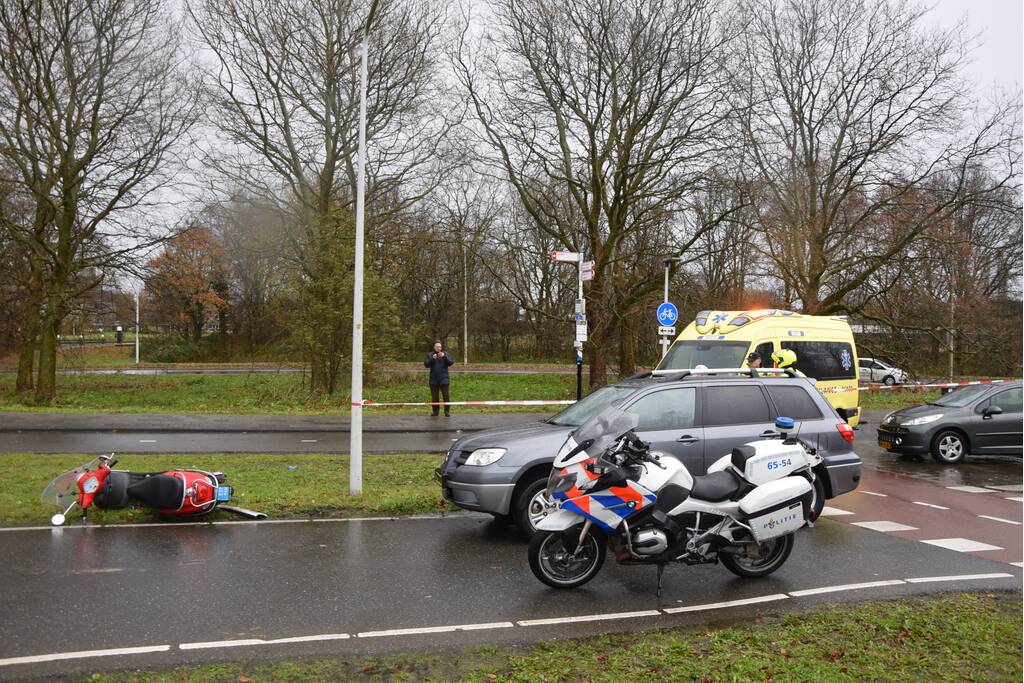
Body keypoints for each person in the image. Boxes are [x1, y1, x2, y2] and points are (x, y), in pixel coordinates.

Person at [424, 340, 454, 417]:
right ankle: (435, 412)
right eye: (437, 347)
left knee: (446, 397)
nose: (439, 348)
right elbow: (426, 364)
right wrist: (432, 359)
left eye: (440, 347)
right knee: (434, 397)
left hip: (444, 379)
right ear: (434, 347)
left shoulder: (446, 354)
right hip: (433, 380)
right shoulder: (430, 354)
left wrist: (444, 356)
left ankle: (447, 412)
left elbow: (451, 363)